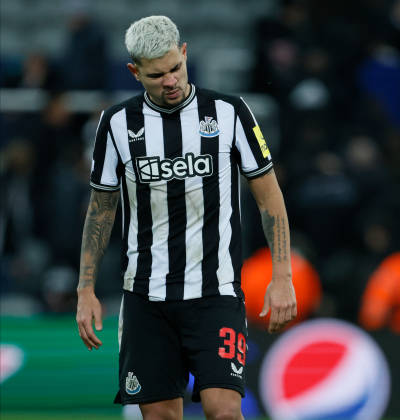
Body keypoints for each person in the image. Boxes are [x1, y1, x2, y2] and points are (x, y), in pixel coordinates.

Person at [75, 15, 297, 420]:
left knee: (225, 410)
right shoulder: (116, 124)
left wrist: (283, 276)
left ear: (185, 52)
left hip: (216, 294)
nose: (171, 81)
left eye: (176, 67)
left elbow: (269, 198)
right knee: (160, 416)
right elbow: (101, 209)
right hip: (146, 297)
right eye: (157, 75)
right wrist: (85, 289)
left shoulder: (230, 113)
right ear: (135, 72)